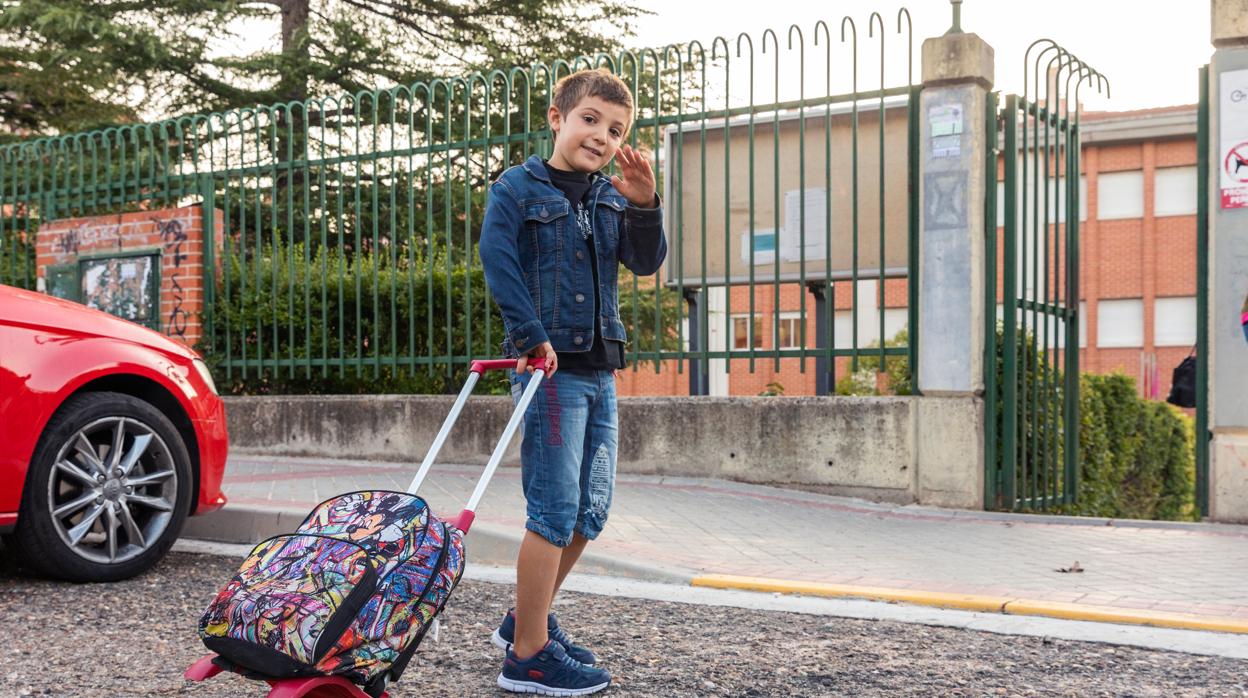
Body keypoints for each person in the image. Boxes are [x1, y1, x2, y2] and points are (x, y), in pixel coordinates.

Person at [478, 68, 666, 696]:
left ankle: (522, 622)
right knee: (554, 511)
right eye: (590, 120)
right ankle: (527, 657)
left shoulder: (611, 195)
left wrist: (645, 203)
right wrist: (530, 335)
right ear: (557, 118)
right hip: (549, 371)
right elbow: (498, 262)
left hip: (599, 369)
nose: (602, 137)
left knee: (591, 510)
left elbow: (645, 261)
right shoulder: (516, 188)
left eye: (616, 131)